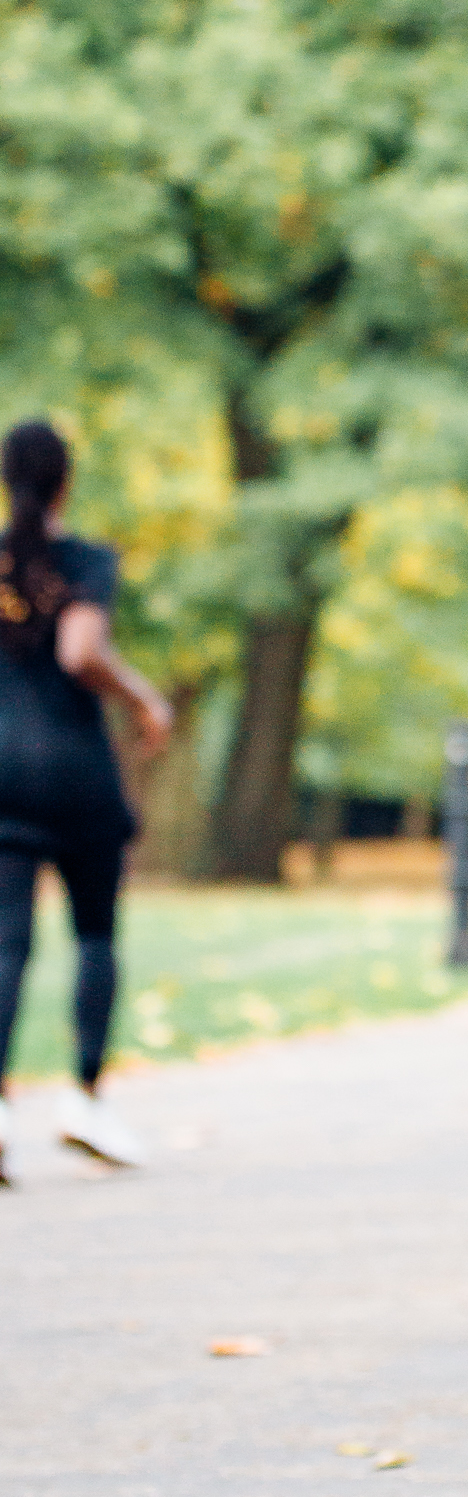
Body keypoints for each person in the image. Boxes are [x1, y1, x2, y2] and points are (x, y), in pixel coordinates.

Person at [0, 419, 171, 1182]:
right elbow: (80, 651)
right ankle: (86, 1099)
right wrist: (143, 698)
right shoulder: (85, 561)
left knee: (5, 945)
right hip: (74, 770)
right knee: (95, 933)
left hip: (3, 771)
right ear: (65, 481)